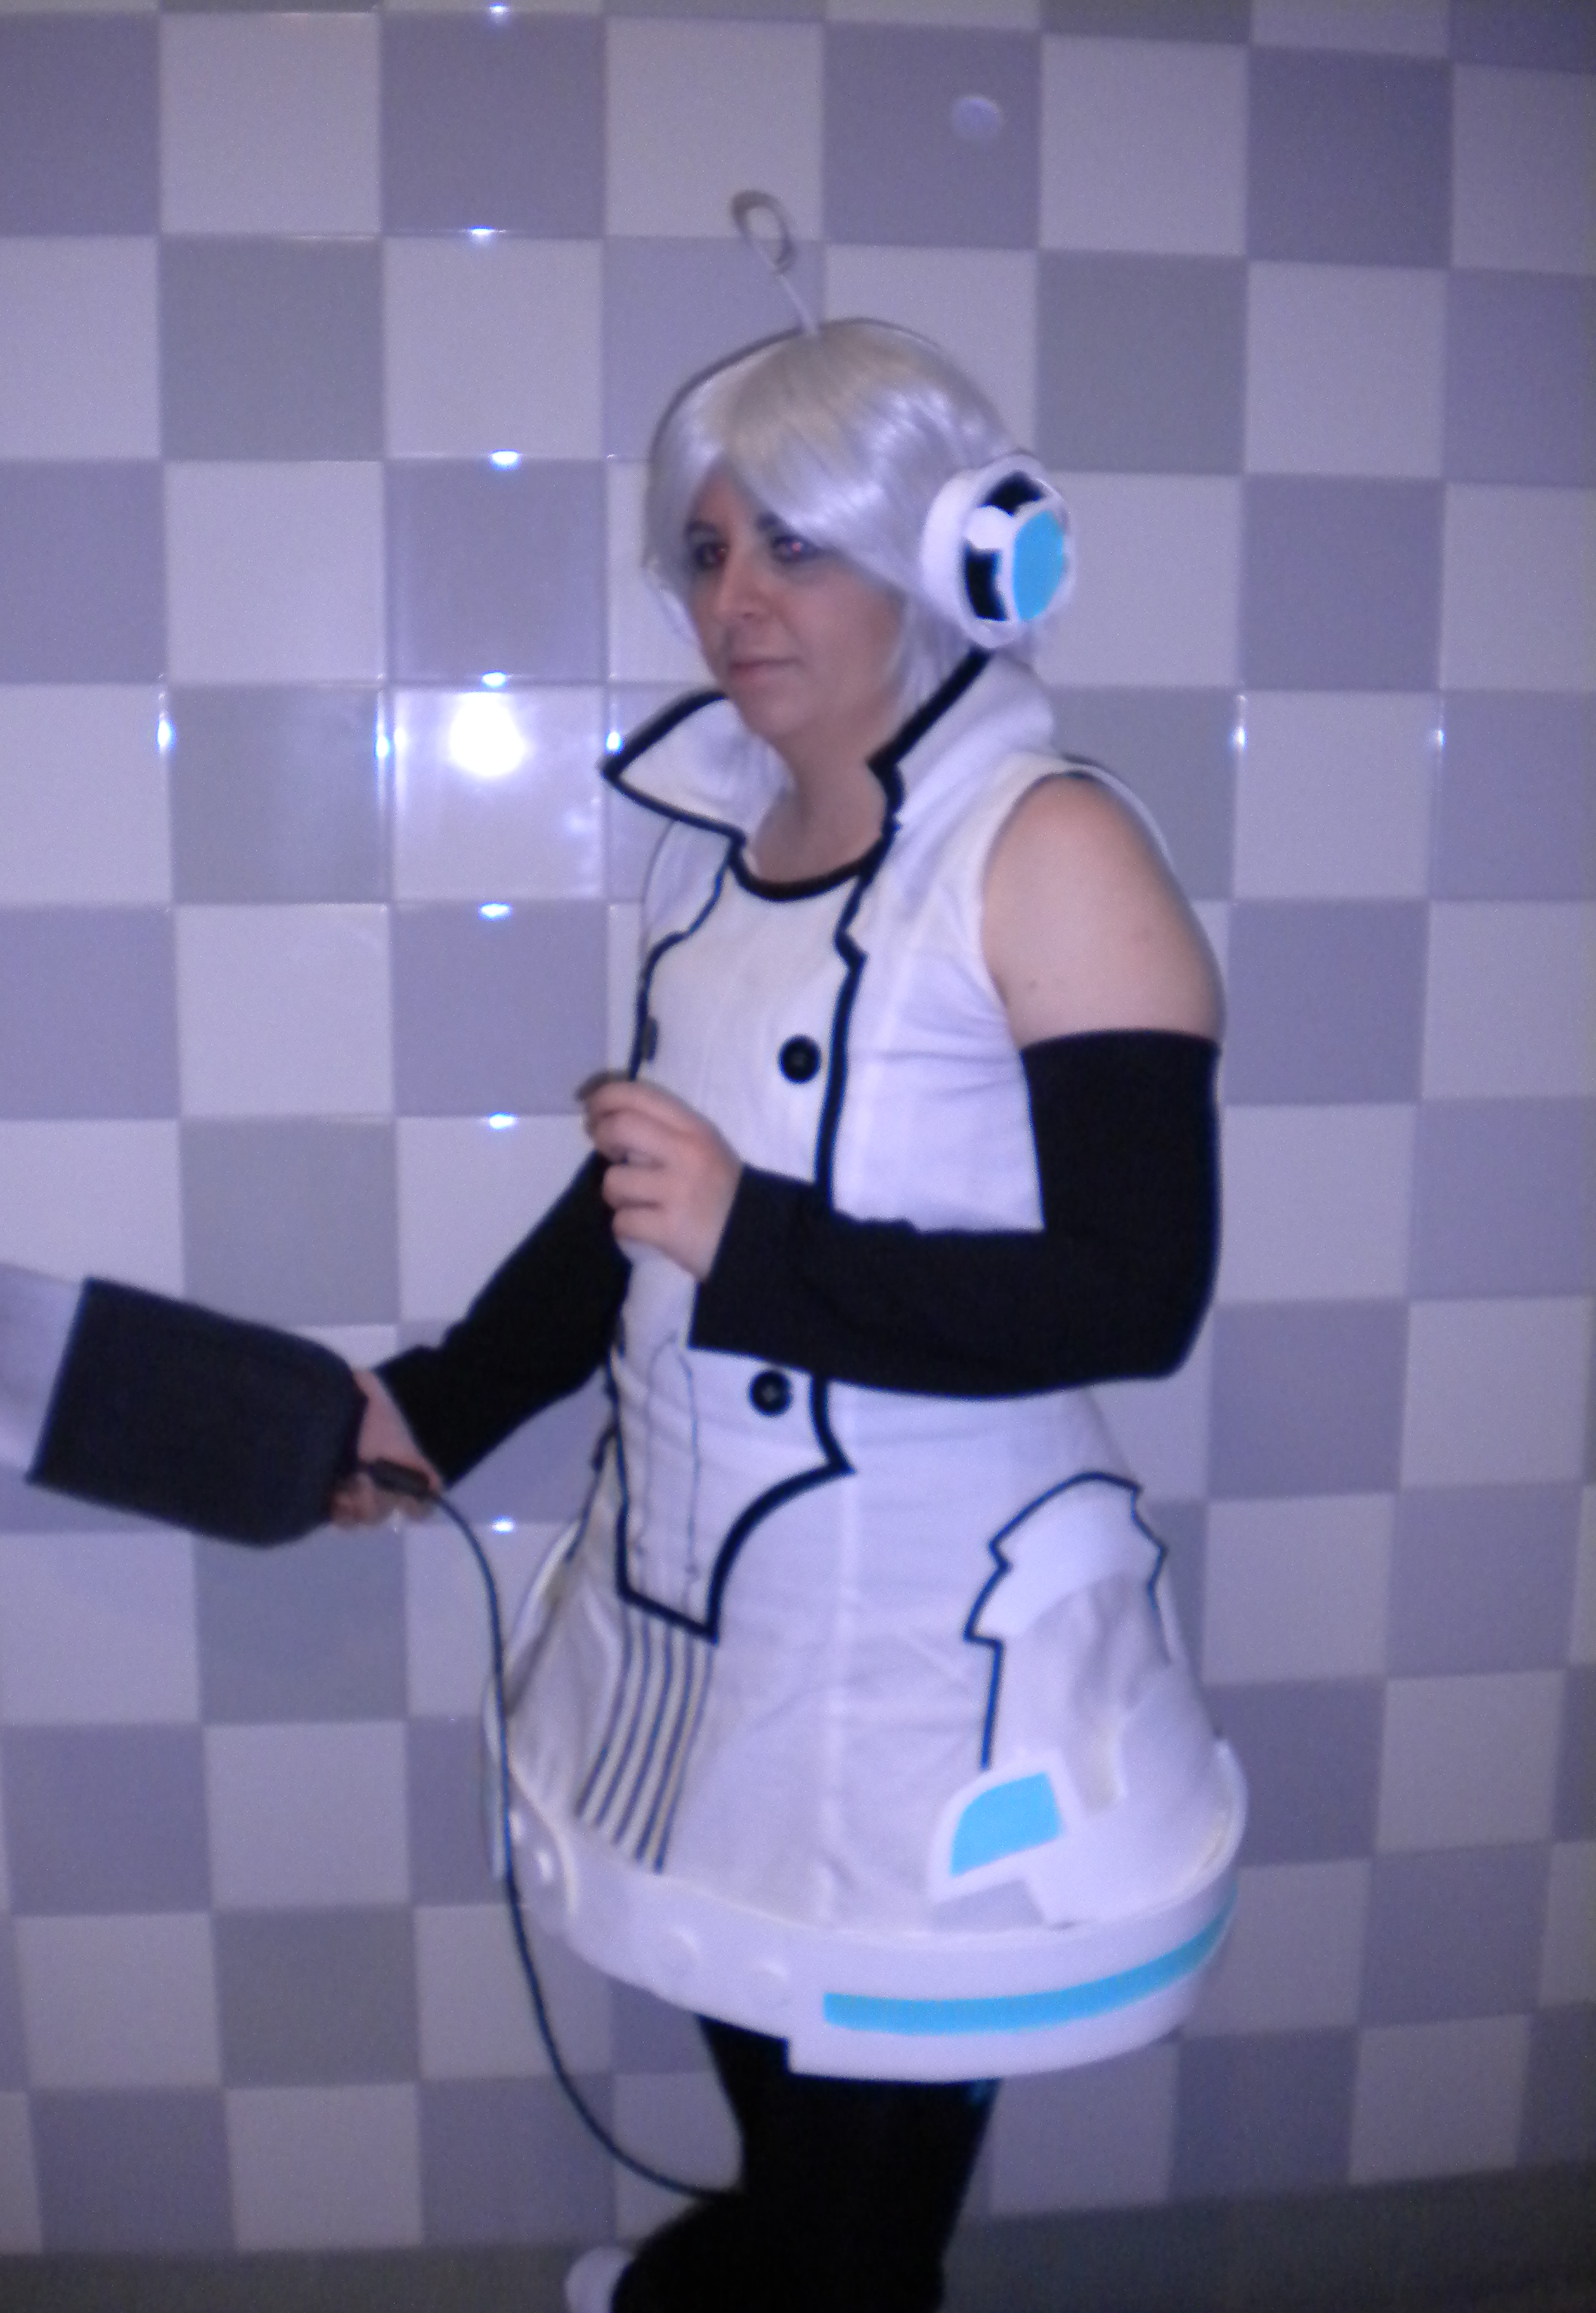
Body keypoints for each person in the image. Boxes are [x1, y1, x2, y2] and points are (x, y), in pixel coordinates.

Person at [334, 321, 1243, 2313]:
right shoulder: (717, 853)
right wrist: (432, 1411)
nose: (734, 599)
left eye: (796, 547)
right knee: (787, 2118)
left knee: (858, 2224)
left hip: (930, 1651)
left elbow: (1136, 1292)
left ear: (953, 551)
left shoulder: (1053, 846)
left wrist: (758, 1239)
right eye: (707, 550)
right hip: (710, 1609)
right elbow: (637, 1211)